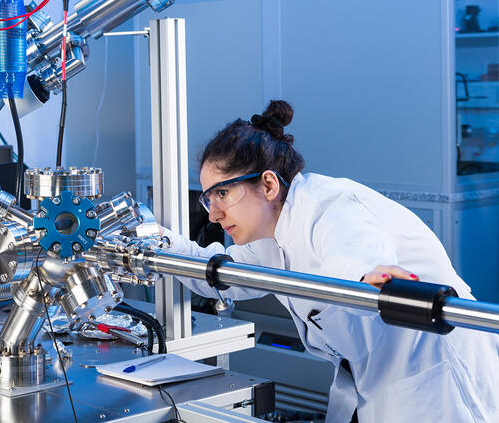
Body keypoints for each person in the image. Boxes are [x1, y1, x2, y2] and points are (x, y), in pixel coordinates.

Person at [162, 100, 499, 423]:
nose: (215, 214)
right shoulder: (271, 236)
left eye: (222, 193)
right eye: (209, 199)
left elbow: (351, 259)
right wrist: (150, 238)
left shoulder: (330, 207)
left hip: (441, 383)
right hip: (380, 381)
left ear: (267, 184)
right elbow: (215, 273)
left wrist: (365, 279)